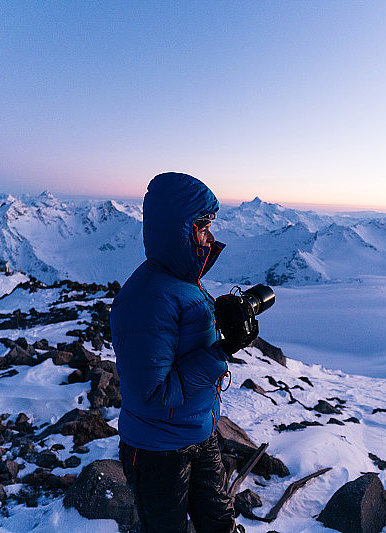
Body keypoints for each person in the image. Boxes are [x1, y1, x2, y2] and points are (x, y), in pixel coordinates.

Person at [111, 172, 247, 533]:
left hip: (200, 432)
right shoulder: (146, 297)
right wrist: (222, 351)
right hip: (157, 453)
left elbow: (186, 350)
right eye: (203, 227)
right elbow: (154, 394)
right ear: (179, 231)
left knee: (220, 525)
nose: (211, 237)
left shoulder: (183, 283)